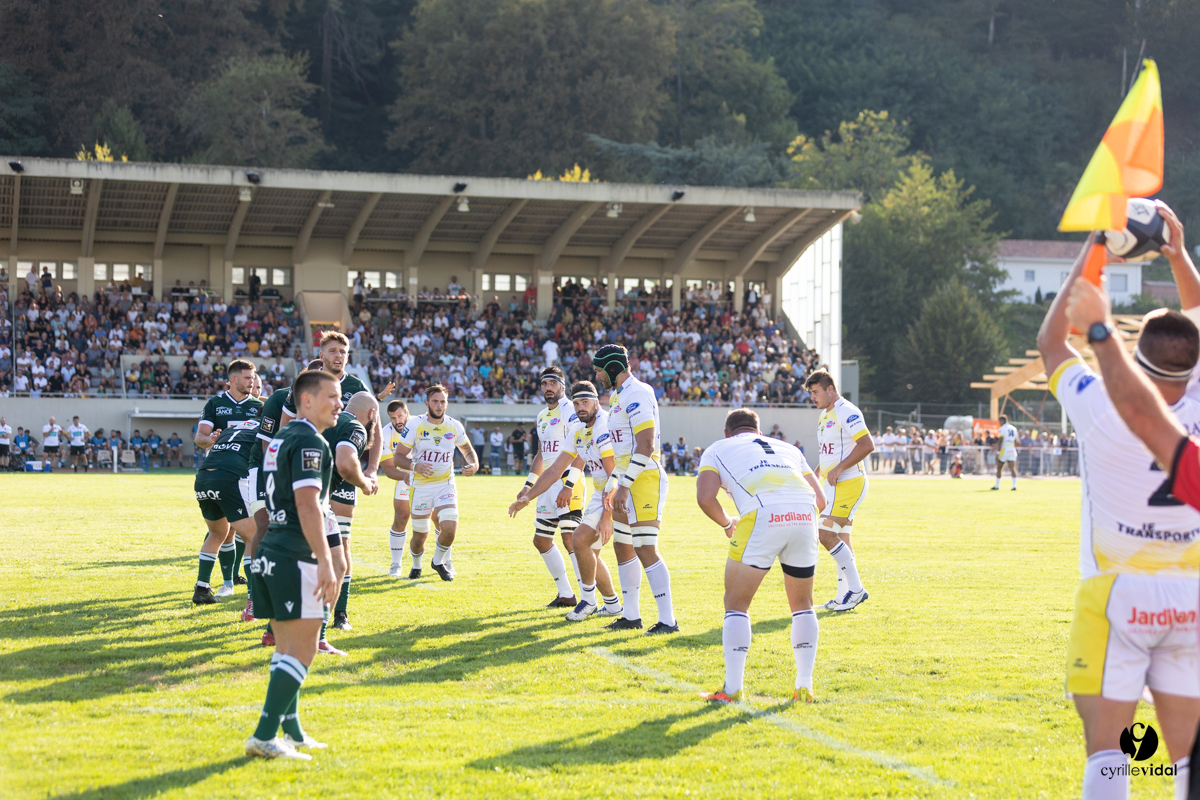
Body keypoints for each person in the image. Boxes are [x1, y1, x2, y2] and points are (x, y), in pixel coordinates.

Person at [1043, 233, 1200, 800]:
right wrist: (1177, 254)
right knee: (1186, 764)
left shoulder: (1098, 399)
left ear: (1134, 358)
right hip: (1192, 596)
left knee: (1110, 757)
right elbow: (1198, 315)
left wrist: (1094, 251)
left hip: (1115, 597)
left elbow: (1052, 342)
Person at [696, 408, 826, 704]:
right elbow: (821, 499)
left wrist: (728, 522)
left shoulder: (718, 448)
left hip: (761, 515)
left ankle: (732, 690)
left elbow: (705, 497)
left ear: (727, 432)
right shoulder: (789, 448)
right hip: (805, 514)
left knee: (736, 604)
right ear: (759, 431)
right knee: (803, 605)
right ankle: (804, 687)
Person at [244, 369, 341, 760]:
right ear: (306, 400)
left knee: (284, 650)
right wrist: (325, 560)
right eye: (331, 397)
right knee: (303, 651)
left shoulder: (282, 437)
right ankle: (265, 735)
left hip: (270, 551)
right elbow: (307, 504)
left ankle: (293, 731)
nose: (339, 403)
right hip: (294, 554)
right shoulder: (308, 441)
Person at [510, 380, 623, 621]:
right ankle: (612, 605)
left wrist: (607, 517)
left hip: (620, 492)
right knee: (588, 547)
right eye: (577, 403)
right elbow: (553, 471)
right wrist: (528, 497)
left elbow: (615, 475)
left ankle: (590, 601)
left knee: (586, 542)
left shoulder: (604, 427)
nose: (581, 407)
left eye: (585, 402)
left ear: (596, 401)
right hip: (600, 491)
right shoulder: (579, 430)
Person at [593, 343, 678, 635]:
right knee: (622, 545)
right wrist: (614, 483)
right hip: (626, 477)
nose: (597, 376)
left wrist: (625, 486)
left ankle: (668, 621)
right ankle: (631, 616)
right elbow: (622, 449)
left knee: (645, 548)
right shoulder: (618, 396)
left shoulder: (637, 392)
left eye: (599, 370)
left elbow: (646, 445)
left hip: (644, 478)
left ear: (613, 367)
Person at [514, 367, 586, 608]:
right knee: (541, 540)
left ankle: (588, 597)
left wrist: (569, 484)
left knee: (571, 539)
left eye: (552, 383)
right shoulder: (542, 415)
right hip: (547, 484)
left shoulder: (570, 410)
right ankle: (566, 594)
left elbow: (581, 448)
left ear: (562, 386)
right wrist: (528, 485)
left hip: (568, 481)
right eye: (544, 383)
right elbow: (542, 453)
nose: (548, 387)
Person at [804, 368, 873, 612]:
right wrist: (815, 474)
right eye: (811, 393)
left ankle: (856, 590)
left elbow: (867, 444)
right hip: (834, 485)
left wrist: (839, 468)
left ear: (830, 390)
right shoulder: (825, 415)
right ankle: (844, 595)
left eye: (815, 392)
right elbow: (829, 454)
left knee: (825, 534)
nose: (813, 397)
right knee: (841, 537)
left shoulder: (847, 411)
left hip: (850, 483)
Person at [393, 384, 478, 581]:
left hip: (445, 485)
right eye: (435, 401)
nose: (439, 406)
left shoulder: (454, 425)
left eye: (442, 402)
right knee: (419, 537)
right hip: (421, 487)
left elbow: (467, 449)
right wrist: (415, 466)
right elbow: (399, 457)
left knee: (449, 528)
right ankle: (416, 565)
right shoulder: (415, 425)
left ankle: (438, 562)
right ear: (427, 403)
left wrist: (474, 464)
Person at [323, 392, 380, 640]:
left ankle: (274, 628)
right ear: (372, 415)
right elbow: (346, 463)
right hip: (315, 497)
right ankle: (322, 630)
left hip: (286, 490)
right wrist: (365, 483)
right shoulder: (355, 427)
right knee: (338, 560)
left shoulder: (320, 419)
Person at [191, 425, 261, 605]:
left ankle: (202, 588)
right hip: (229, 477)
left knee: (217, 534)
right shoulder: (269, 428)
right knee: (253, 537)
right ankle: (254, 596)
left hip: (203, 477)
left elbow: (211, 446)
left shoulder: (234, 428)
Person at [379, 400, 415, 577]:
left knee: (437, 517)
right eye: (393, 418)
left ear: (407, 413)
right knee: (401, 517)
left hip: (429, 477)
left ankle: (445, 560)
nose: (397, 420)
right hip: (404, 476)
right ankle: (396, 564)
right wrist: (405, 476)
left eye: (400, 416)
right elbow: (387, 468)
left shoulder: (421, 425)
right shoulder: (384, 434)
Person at [993, 415, 1019, 490]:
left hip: (1005, 449)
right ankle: (1014, 486)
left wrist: (998, 452)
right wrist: (1014, 448)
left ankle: (997, 486)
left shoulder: (1002, 428)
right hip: (1012, 449)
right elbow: (1015, 441)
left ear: (1002, 421)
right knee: (1012, 468)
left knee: (999, 468)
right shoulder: (1014, 428)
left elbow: (1000, 441)